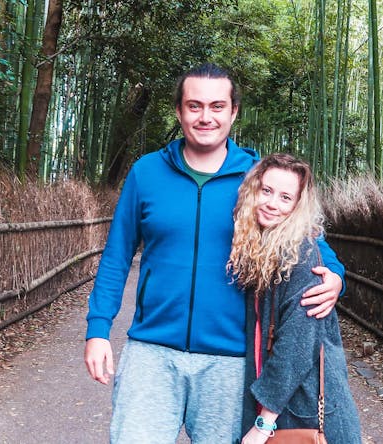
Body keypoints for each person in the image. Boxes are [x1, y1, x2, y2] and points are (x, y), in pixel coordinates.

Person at [83, 63, 346, 443]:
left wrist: (336, 277)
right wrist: (98, 329)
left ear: (233, 112)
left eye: (217, 106)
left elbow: (309, 239)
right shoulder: (146, 173)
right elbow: (116, 256)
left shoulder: (256, 179)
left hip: (232, 361)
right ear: (179, 111)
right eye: (194, 106)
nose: (205, 117)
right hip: (151, 354)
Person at [228, 153, 361, 443]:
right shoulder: (261, 248)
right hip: (288, 409)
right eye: (267, 191)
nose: (272, 204)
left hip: (307, 413)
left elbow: (296, 347)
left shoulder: (300, 254)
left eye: (286, 198)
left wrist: (263, 425)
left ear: (298, 206)